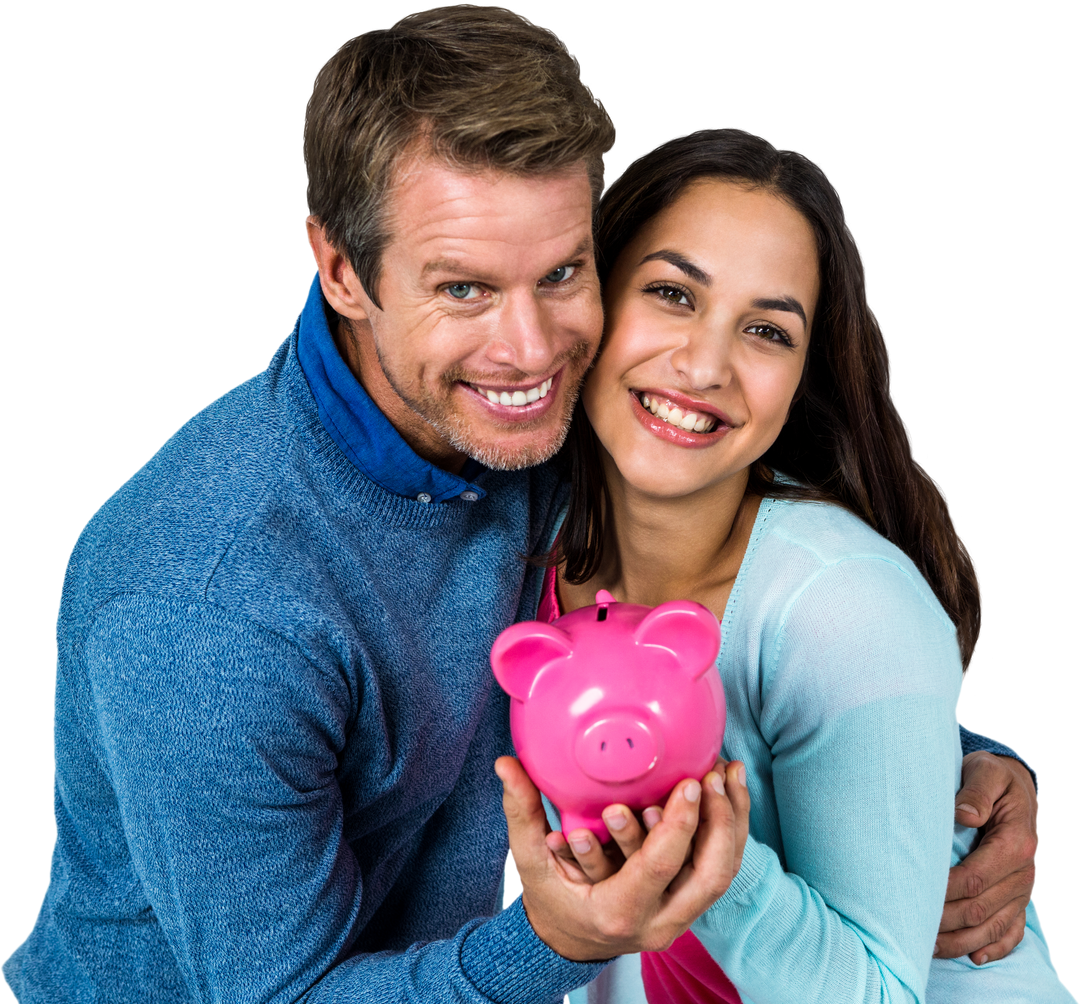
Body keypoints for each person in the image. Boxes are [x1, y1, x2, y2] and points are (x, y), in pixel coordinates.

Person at [0, 6, 1046, 1002]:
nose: (531, 349)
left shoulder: (517, 424)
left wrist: (945, 764)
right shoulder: (209, 606)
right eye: (464, 288)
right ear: (340, 268)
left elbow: (686, 635)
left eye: (561, 271)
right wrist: (553, 942)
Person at [503, 126, 1073, 1003]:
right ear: (593, 299)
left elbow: (883, 994)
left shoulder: (850, 608)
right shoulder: (512, 540)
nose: (703, 365)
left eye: (767, 330)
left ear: (803, 373)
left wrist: (695, 847)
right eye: (671, 293)